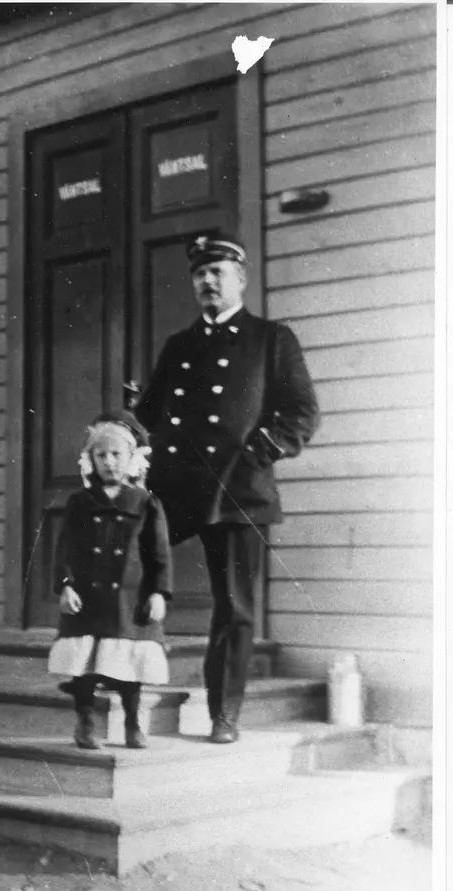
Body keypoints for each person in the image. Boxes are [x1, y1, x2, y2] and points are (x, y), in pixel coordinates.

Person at [134, 231, 320, 744]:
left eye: (218, 272)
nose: (208, 281)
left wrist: (257, 455)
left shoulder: (271, 339)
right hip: (178, 490)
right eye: (200, 273)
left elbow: (302, 413)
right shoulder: (180, 346)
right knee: (135, 576)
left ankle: (225, 714)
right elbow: (147, 416)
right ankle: (127, 703)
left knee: (234, 606)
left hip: (239, 491)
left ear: (240, 279)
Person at [48, 412, 172, 751]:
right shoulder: (80, 503)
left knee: (128, 666)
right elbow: (65, 550)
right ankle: (85, 721)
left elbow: (158, 554)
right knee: (84, 665)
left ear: (132, 459)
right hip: (88, 597)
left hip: (129, 600)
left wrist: (159, 592)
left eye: (116, 454)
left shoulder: (146, 503)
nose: (109, 462)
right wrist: (66, 584)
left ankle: (133, 722)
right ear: (90, 461)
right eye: (100, 455)